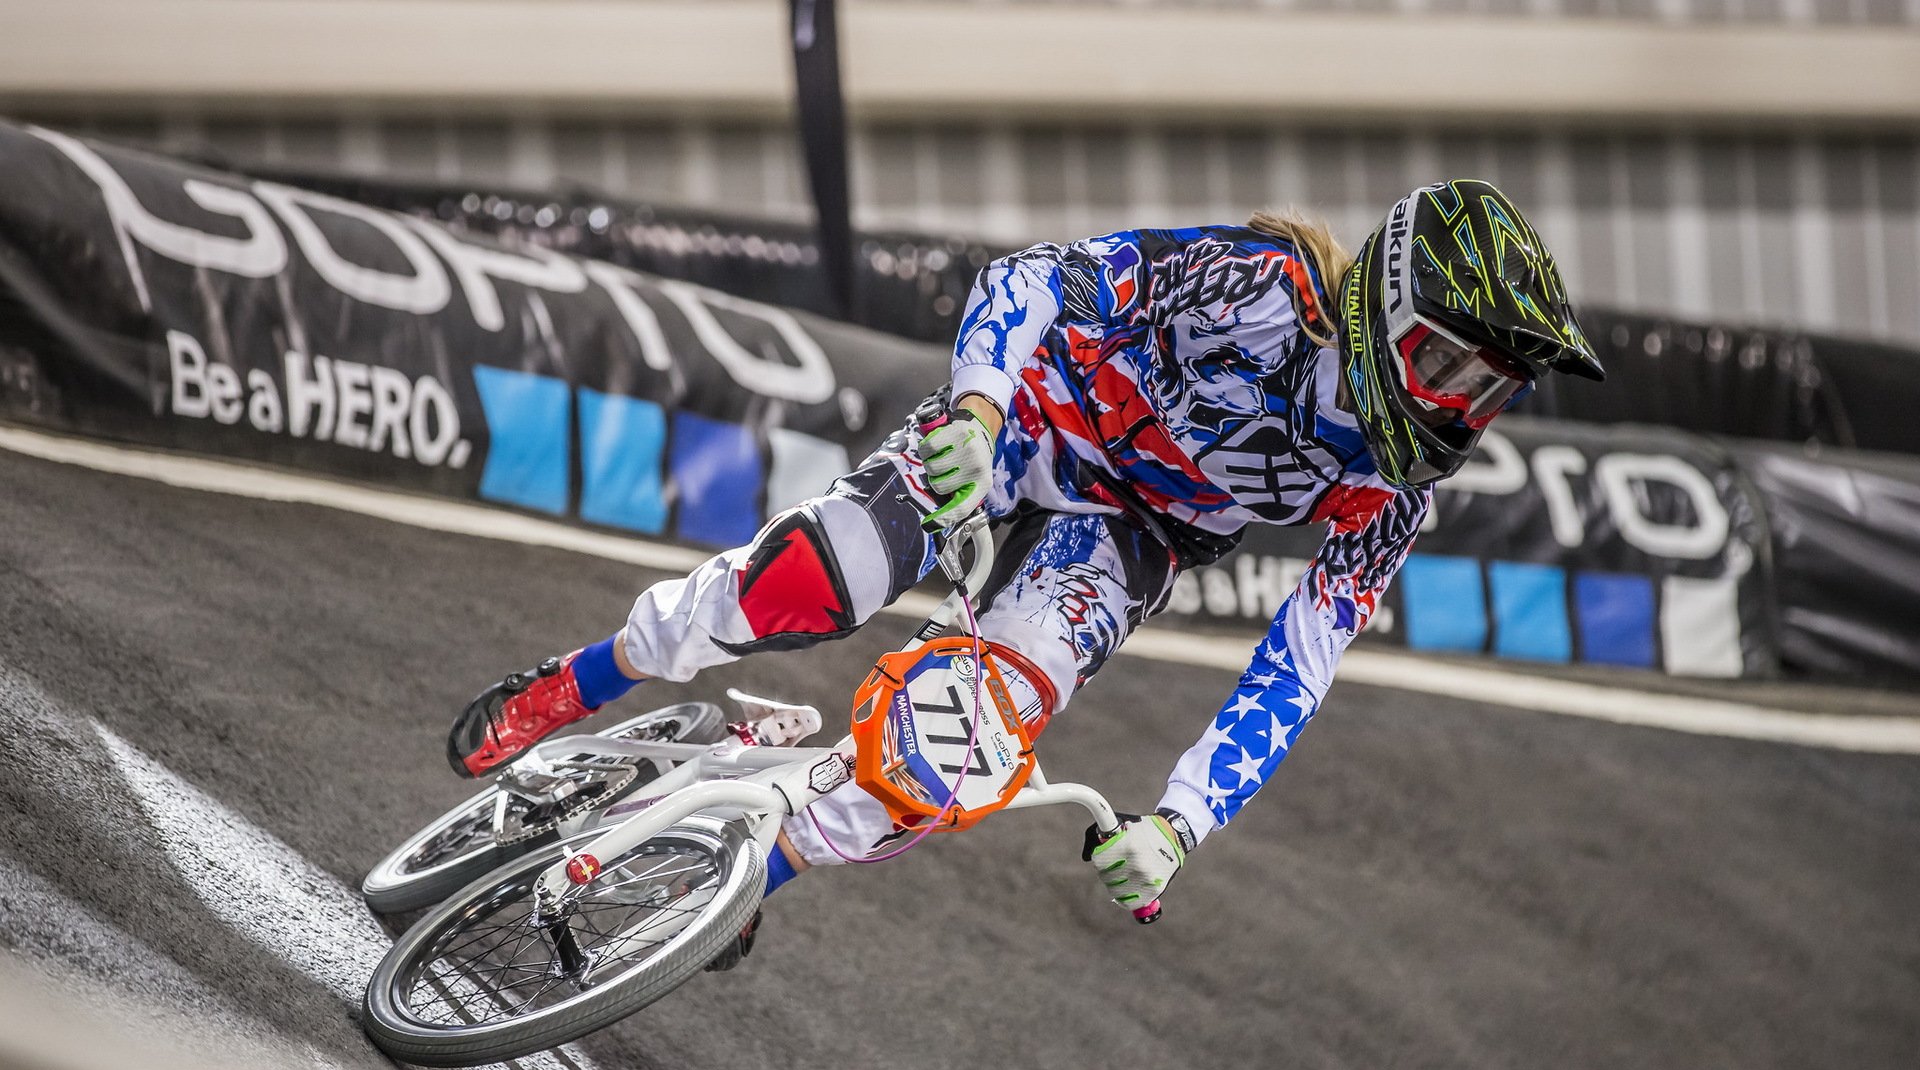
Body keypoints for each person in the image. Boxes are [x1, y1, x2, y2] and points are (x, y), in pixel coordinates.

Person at [445, 178, 1604, 926]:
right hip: (1033, 421)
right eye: (1453, 366)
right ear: (1386, 305)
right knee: (807, 583)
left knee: (943, 767)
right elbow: (1034, 277)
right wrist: (983, 408)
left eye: (1490, 391)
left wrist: (1181, 823)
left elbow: (1298, 668)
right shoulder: (1262, 285)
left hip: (1124, 539)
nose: (1463, 409)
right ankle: (577, 683)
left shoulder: (1392, 495)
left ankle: (743, 885)